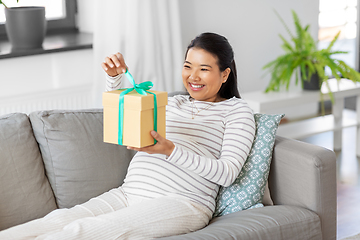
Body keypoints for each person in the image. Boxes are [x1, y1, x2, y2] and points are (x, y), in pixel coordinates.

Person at [0, 32, 255, 240]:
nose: (193, 76)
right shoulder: (173, 102)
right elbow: (127, 116)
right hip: (129, 192)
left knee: (80, 232)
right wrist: (117, 78)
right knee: (56, 221)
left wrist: (170, 150)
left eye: (204, 69)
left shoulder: (236, 111)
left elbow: (227, 173)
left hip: (182, 202)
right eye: (188, 66)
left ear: (224, 74)